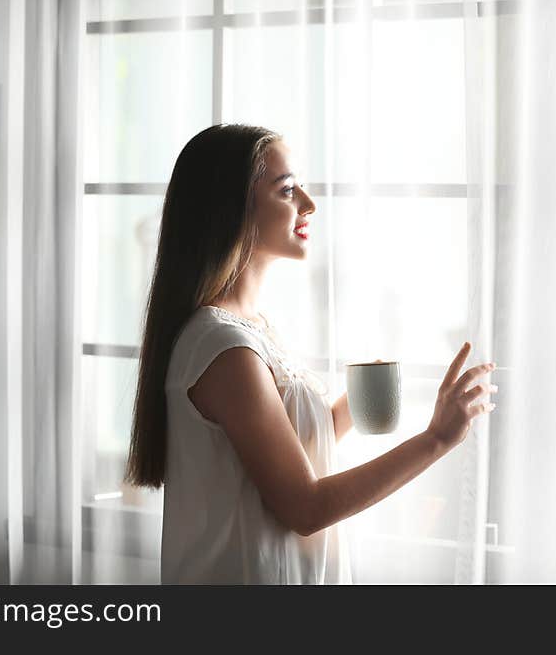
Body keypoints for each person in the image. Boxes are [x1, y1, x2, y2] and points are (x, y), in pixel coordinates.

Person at [124, 124, 498, 584]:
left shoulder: (253, 329)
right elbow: (306, 506)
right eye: (286, 190)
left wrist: (365, 397)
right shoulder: (223, 349)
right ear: (231, 208)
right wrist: (436, 439)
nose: (308, 204)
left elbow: (289, 446)